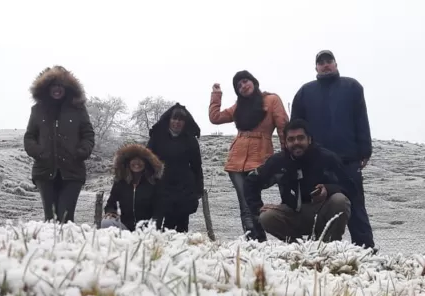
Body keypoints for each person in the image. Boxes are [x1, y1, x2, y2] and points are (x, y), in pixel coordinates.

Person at [290, 50, 375, 249]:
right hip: (316, 162)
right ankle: (317, 249)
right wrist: (296, 152)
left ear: (336, 64)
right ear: (316, 68)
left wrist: (365, 149)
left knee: (356, 205)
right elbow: (295, 126)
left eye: (329, 61)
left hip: (348, 159)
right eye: (321, 62)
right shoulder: (304, 92)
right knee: (316, 203)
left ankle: (366, 250)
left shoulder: (352, 87)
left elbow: (361, 119)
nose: (325, 65)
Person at [244, 118, 354, 244]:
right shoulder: (278, 162)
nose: (296, 142)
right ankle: (297, 248)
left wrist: (328, 189)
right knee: (266, 217)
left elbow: (350, 187)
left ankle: (326, 246)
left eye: (300, 138)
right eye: (291, 139)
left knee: (340, 201)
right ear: (285, 142)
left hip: (321, 211)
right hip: (292, 213)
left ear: (309, 139)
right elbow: (250, 182)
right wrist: (258, 207)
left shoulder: (327, 158)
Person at [209, 70, 289, 241]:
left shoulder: (271, 100)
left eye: (245, 81)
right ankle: (254, 243)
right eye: (238, 86)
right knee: (245, 205)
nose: (243, 86)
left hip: (261, 159)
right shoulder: (238, 107)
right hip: (236, 163)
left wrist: (287, 155)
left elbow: (283, 127)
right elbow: (215, 118)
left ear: (253, 81)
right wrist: (216, 95)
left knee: (255, 201)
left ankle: (285, 236)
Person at [23, 65, 95, 223]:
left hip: (72, 171)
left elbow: (88, 134)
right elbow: (29, 137)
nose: (57, 89)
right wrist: (39, 151)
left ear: (67, 88)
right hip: (44, 171)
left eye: (61, 86)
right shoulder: (37, 110)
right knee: (51, 219)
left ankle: (70, 247)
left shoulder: (78, 109)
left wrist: (82, 151)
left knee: (66, 218)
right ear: (47, 88)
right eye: (53, 86)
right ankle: (50, 247)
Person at [147, 103, 204, 233]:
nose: (177, 122)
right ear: (169, 120)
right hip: (161, 185)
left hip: (183, 188)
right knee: (155, 226)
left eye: (180, 120)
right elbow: (147, 159)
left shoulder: (190, 140)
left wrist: (198, 189)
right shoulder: (157, 137)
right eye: (174, 119)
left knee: (180, 228)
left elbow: (196, 166)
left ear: (185, 122)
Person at [101, 143, 164, 231]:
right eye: (134, 160)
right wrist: (111, 212)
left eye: (140, 160)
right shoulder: (120, 182)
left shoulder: (154, 183)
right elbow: (110, 204)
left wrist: (154, 226)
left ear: (146, 163)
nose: (137, 163)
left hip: (147, 230)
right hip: (125, 228)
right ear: (128, 162)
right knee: (106, 222)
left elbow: (159, 209)